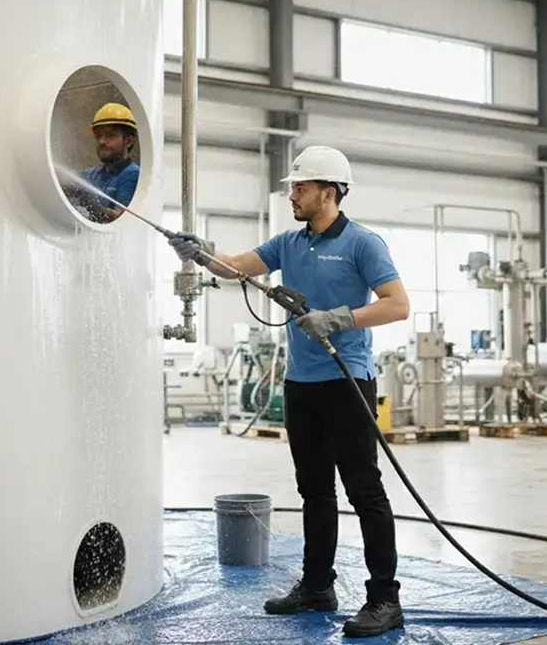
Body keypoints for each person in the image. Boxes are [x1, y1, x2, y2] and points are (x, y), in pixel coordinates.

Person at [167, 145, 410, 639]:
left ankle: (385, 598)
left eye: (300, 187)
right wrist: (202, 252)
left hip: (348, 382)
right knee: (314, 491)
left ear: (329, 191)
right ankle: (318, 585)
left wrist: (341, 318)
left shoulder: (364, 244)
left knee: (365, 491)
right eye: (292, 188)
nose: (292, 195)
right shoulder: (289, 243)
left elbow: (397, 305)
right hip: (301, 385)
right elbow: (238, 266)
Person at [65, 102, 140, 223]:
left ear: (128, 141)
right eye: (98, 135)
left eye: (110, 135)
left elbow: (122, 219)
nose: (102, 141)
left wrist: (94, 207)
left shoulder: (132, 174)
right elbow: (64, 179)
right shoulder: (94, 174)